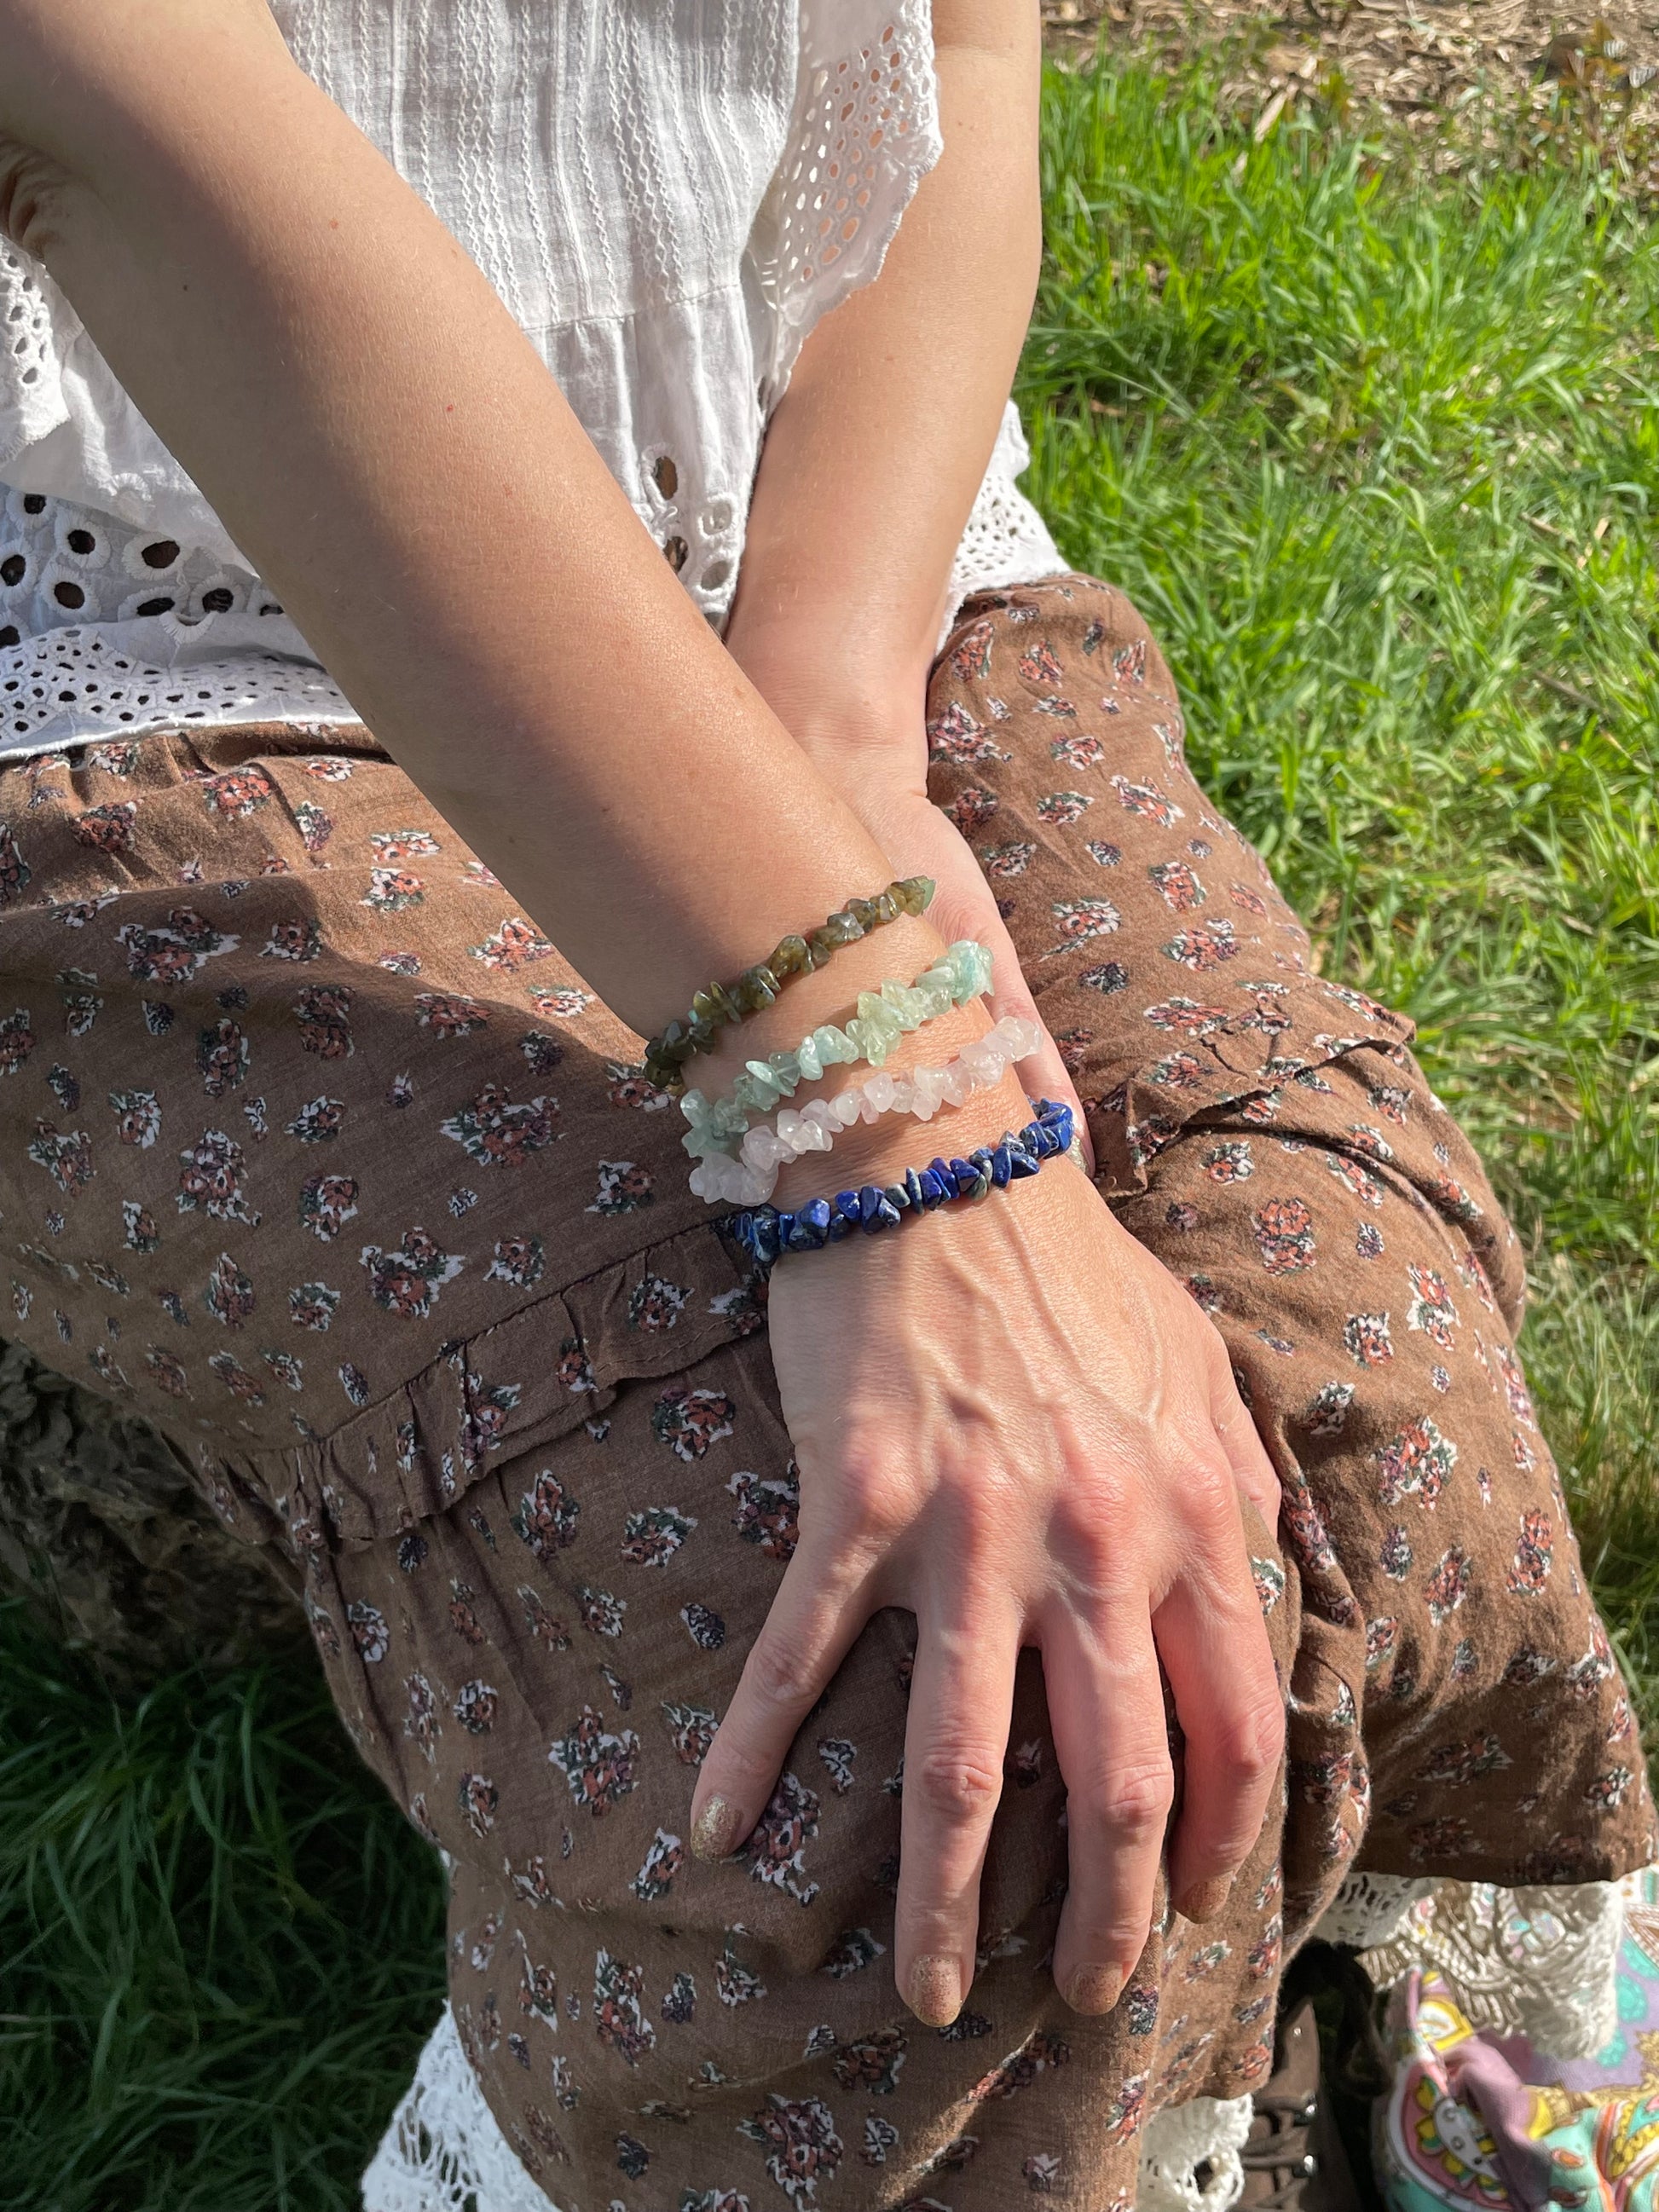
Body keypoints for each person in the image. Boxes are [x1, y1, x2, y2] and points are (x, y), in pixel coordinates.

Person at [0, 5, 1648, 2209]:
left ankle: (1322, 2085)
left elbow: (955, 44)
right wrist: (886, 1098)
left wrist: (836, 767)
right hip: (145, 649)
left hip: (821, 544)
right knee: (865, 1695)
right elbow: (110, 129)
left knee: (1358, 1365)